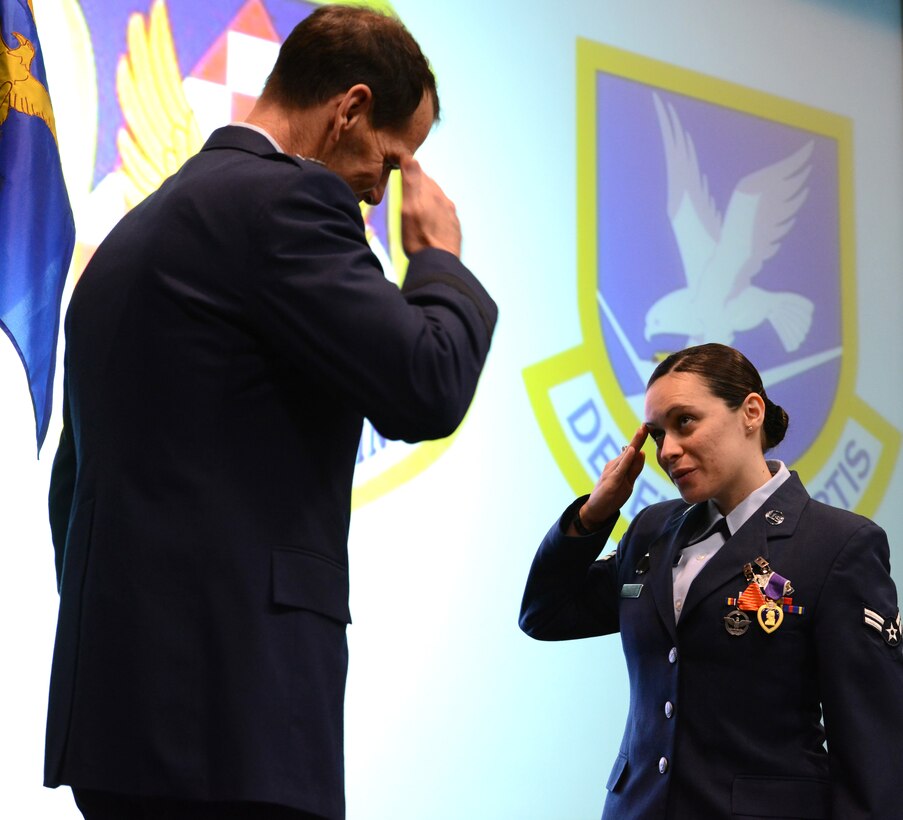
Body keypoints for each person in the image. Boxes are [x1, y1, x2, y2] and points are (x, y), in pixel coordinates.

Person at [45, 6, 496, 820]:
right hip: (232, 718)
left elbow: (69, 485)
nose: (383, 186)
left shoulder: (127, 241)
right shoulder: (288, 205)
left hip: (113, 716)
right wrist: (438, 262)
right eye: (391, 159)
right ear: (348, 109)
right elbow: (427, 383)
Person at [519, 343, 903, 819]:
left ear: (751, 412)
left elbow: (873, 751)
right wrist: (594, 513)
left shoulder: (838, 544)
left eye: (685, 422)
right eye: (658, 434)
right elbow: (544, 613)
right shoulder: (651, 531)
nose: (668, 450)